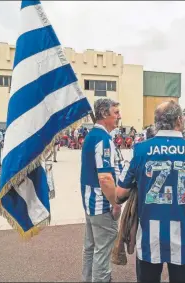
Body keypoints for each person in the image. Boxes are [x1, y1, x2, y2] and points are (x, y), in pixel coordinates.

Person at [115, 100, 185, 283]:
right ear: (179, 120)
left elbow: (120, 193)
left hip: (149, 237)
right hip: (183, 236)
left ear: (156, 121)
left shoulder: (139, 150)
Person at [80, 98, 123, 282]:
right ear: (104, 114)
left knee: (91, 247)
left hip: (91, 202)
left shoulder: (92, 136)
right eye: (116, 113)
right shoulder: (103, 139)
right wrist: (115, 203)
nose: (119, 116)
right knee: (103, 251)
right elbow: (105, 178)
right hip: (102, 203)